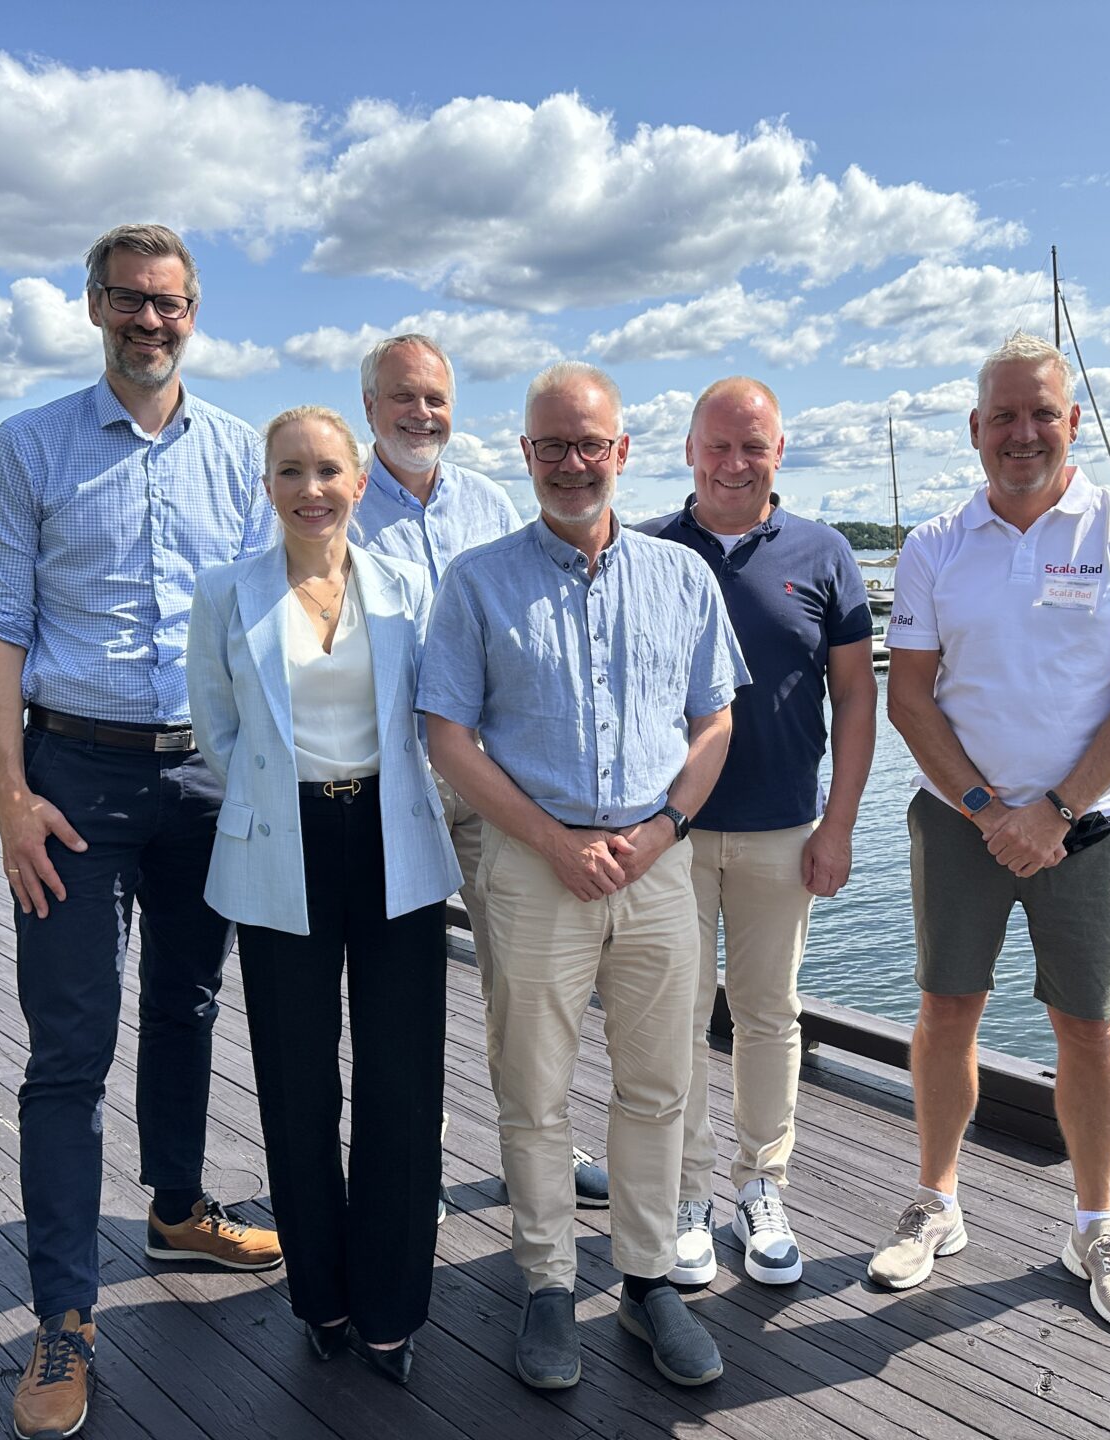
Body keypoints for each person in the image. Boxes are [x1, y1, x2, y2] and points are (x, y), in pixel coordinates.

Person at [0, 222, 282, 1440]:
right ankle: (64, 1317)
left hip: (201, 782)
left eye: (171, 304)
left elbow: (264, 625)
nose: (151, 322)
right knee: (69, 1046)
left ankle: (178, 1207)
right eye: (130, 302)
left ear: (195, 311)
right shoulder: (30, 446)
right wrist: (9, 794)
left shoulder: (240, 453)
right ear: (93, 306)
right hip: (73, 784)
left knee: (191, 1006)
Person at [417, 362, 748, 1391]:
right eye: (551, 446)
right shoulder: (476, 581)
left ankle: (647, 1280)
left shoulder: (682, 577)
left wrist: (662, 829)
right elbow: (448, 735)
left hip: (657, 868)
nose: (572, 464)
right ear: (524, 455)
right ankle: (550, 1281)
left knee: (659, 1084)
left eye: (589, 444)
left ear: (622, 452)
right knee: (534, 1087)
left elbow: (714, 720)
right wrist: (555, 841)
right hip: (531, 864)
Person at [871, 331, 1110, 1334]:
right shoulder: (932, 547)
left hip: (1087, 826)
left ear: (1073, 422)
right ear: (973, 429)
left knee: (1087, 1026)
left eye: (1041, 412)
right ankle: (937, 1203)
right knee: (946, 1010)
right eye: (1002, 415)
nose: (1023, 432)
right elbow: (910, 702)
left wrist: (1053, 812)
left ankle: (1094, 1224)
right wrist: (987, 811)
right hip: (962, 821)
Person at [187, 405, 461, 1385]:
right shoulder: (226, 594)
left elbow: (436, 722)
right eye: (291, 471)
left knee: (403, 1087)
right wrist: (281, 797)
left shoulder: (407, 589)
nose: (312, 489)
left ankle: (391, 1310)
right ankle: (323, 1299)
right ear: (267, 485)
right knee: (298, 1088)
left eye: (329, 470)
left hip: (394, 842)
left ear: (358, 481)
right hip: (281, 849)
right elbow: (218, 733)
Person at [353, 334, 607, 1211]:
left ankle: (538, 1148)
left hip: (489, 782)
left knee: (523, 978)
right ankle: (411, 1153)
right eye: (402, 397)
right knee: (400, 984)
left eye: (435, 399)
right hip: (389, 782)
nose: (421, 414)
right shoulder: (337, 505)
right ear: (370, 407)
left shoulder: (492, 502)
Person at [636, 377, 876, 1289]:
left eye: (754, 446)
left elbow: (856, 697)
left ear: (781, 450)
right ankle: (689, 1195)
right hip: (671, 833)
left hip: (785, 828)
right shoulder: (650, 548)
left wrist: (839, 826)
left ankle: (760, 1187)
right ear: (689, 450)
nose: (735, 464)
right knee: (678, 1018)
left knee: (771, 1014)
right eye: (718, 446)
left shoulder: (823, 555)